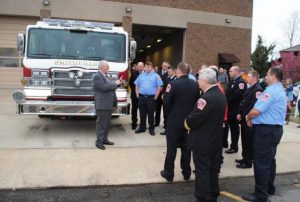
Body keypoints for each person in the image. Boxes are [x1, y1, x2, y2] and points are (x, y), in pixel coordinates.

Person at [242, 67, 287, 202]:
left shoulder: (271, 91)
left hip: (266, 131)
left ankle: (260, 195)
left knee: (261, 163)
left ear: (273, 76)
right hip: (274, 130)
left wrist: (248, 117)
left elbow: (256, 110)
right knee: (269, 161)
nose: (265, 77)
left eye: (267, 75)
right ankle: (269, 188)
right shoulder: (279, 89)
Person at [185, 68, 226, 202]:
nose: (197, 81)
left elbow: (192, 120)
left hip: (203, 142)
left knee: (202, 171)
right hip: (215, 141)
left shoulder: (206, 98)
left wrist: (186, 122)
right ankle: (213, 194)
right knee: (212, 170)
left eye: (198, 79)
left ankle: (204, 197)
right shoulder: (220, 94)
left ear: (204, 81)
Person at [160, 62, 199, 182]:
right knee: (186, 149)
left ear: (179, 70)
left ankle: (168, 173)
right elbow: (197, 103)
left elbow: (166, 104)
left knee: (171, 149)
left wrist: (170, 115)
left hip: (174, 122)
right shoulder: (195, 84)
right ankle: (186, 173)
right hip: (189, 122)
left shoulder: (173, 84)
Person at [93, 60, 122, 150]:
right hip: (102, 104)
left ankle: (104, 139)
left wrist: (117, 83)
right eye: (107, 66)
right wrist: (115, 83)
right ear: (101, 67)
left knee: (107, 124)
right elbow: (104, 87)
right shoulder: (97, 76)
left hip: (108, 104)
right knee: (101, 124)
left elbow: (111, 89)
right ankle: (99, 142)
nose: (108, 68)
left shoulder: (105, 76)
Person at [236, 71, 262, 169]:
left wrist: (248, 117)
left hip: (249, 119)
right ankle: (244, 157)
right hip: (244, 118)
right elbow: (242, 102)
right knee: (244, 140)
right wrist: (239, 112)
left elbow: (254, 106)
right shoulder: (249, 87)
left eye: (249, 77)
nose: (247, 78)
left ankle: (248, 162)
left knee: (248, 141)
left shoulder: (258, 89)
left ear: (254, 78)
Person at [134, 61, 163, 136]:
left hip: (151, 98)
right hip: (142, 97)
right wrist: (137, 95)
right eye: (146, 67)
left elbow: (159, 87)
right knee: (142, 113)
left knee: (151, 114)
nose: (147, 68)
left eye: (149, 67)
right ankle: (142, 128)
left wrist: (156, 97)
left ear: (152, 67)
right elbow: (136, 85)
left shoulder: (156, 75)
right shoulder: (141, 75)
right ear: (144, 67)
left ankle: (151, 129)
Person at [224, 66, 246, 153]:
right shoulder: (232, 81)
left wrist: (225, 101)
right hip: (230, 109)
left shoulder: (241, 83)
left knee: (234, 129)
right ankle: (230, 145)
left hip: (235, 110)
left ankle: (234, 147)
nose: (229, 73)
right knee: (230, 128)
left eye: (230, 71)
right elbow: (227, 92)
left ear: (236, 72)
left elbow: (236, 96)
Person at [160, 65, 177, 135]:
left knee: (170, 115)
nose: (168, 73)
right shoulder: (167, 78)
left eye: (169, 72)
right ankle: (166, 128)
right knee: (165, 114)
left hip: (172, 101)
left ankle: (169, 129)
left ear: (174, 71)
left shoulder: (176, 79)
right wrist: (163, 94)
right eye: (168, 72)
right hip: (165, 99)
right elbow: (164, 88)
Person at [129, 62, 144, 130]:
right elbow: (130, 83)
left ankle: (143, 124)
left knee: (143, 110)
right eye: (139, 66)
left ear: (143, 67)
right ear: (137, 67)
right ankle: (134, 123)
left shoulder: (146, 74)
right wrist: (135, 91)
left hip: (143, 95)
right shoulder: (134, 73)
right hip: (135, 96)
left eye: (141, 66)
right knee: (134, 110)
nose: (140, 67)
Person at [155, 62, 170, 127]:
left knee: (165, 110)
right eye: (163, 66)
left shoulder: (169, 74)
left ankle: (165, 124)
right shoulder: (157, 73)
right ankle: (156, 122)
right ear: (162, 66)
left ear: (168, 67)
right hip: (158, 94)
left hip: (165, 94)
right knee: (157, 109)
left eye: (166, 66)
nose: (164, 67)